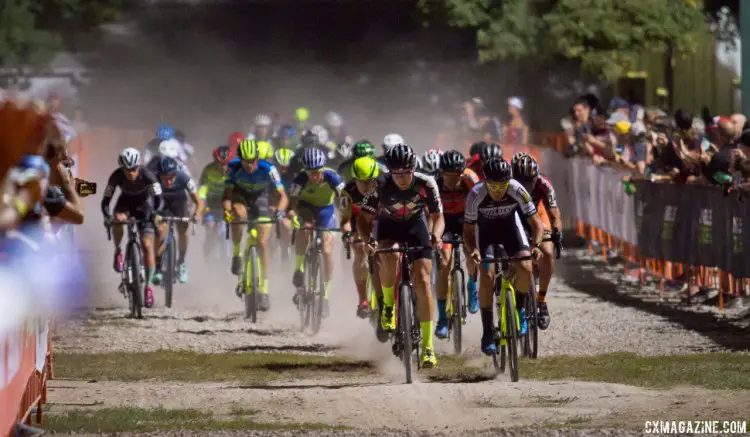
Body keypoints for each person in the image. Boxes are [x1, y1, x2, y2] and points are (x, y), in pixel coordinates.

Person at [463, 157, 544, 355]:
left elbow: (536, 223)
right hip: (486, 233)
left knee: (525, 268)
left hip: (510, 229)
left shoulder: (517, 189)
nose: (498, 190)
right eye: (493, 185)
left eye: (502, 185)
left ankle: (521, 309)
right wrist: (473, 249)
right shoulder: (475, 193)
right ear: (485, 181)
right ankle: (488, 331)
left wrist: (537, 245)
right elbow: (467, 229)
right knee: (487, 275)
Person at [373, 143, 444, 368]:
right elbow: (365, 219)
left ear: (414, 168)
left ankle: (428, 347)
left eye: (406, 172)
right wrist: (368, 240)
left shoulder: (426, 183)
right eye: (397, 173)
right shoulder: (380, 184)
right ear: (390, 171)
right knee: (391, 255)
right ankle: (387, 306)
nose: (402, 178)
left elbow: (438, 216)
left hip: (416, 227)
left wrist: (436, 236)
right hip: (388, 227)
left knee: (423, 281)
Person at [223, 139, 289, 311]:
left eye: (253, 160)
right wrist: (227, 210)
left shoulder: (269, 169)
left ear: (258, 158)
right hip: (241, 197)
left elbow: (283, 196)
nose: (250, 165)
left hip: (261, 199)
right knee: (238, 214)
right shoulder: (233, 167)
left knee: (263, 242)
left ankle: (264, 290)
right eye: (246, 161)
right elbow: (227, 195)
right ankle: (237, 253)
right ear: (241, 159)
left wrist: (280, 211)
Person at [101, 148, 163, 308]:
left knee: (147, 245)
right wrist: (108, 216)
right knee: (118, 219)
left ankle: (148, 287)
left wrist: (156, 212)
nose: (130, 173)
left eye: (134, 169)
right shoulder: (116, 176)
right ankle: (118, 251)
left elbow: (159, 199)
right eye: (126, 170)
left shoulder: (148, 175)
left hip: (144, 206)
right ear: (121, 168)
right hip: (125, 204)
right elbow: (106, 200)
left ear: (139, 166)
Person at [288, 148, 345, 317]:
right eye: (310, 172)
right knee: (305, 227)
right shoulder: (300, 180)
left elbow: (345, 200)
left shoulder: (332, 177)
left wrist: (347, 219)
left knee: (327, 250)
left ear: (322, 169)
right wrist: (292, 215)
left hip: (326, 211)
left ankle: (325, 295)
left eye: (317, 172)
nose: (314, 176)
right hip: (306, 207)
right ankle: (299, 269)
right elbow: (292, 204)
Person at [511, 154, 562, 330]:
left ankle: (541, 300)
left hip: (536, 216)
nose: (525, 186)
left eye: (529, 182)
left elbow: (554, 214)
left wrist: (557, 234)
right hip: (514, 215)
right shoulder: (507, 183)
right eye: (521, 182)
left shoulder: (544, 184)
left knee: (547, 253)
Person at [433, 150, 480, 339]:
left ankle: (472, 284)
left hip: (466, 220)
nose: (452, 181)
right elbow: (429, 213)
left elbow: (482, 204)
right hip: (444, 221)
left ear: (463, 172)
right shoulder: (434, 183)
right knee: (444, 263)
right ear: (441, 173)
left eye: (456, 177)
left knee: (472, 254)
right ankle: (443, 318)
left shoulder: (471, 180)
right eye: (448, 177)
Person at [338, 156, 385, 320]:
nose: (365, 186)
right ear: (354, 179)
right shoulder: (347, 191)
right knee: (360, 251)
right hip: (357, 223)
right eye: (361, 182)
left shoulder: (384, 185)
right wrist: (347, 234)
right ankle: (363, 299)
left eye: (369, 181)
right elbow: (344, 220)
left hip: (379, 222)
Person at [152, 157, 203, 285]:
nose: (168, 181)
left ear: (176, 174)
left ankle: (181, 262)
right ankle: (157, 268)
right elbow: (146, 201)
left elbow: (199, 202)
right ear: (159, 175)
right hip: (162, 205)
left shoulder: (184, 178)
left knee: (184, 228)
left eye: (171, 178)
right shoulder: (153, 180)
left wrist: (197, 213)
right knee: (161, 232)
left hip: (179, 204)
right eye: (165, 178)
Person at [198, 146, 234, 258]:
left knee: (227, 232)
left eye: (226, 164)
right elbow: (202, 190)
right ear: (215, 162)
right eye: (220, 164)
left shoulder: (235, 171)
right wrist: (201, 204)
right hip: (211, 205)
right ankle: (207, 257)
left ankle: (228, 259)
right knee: (210, 229)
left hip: (227, 204)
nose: (223, 167)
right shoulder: (208, 170)